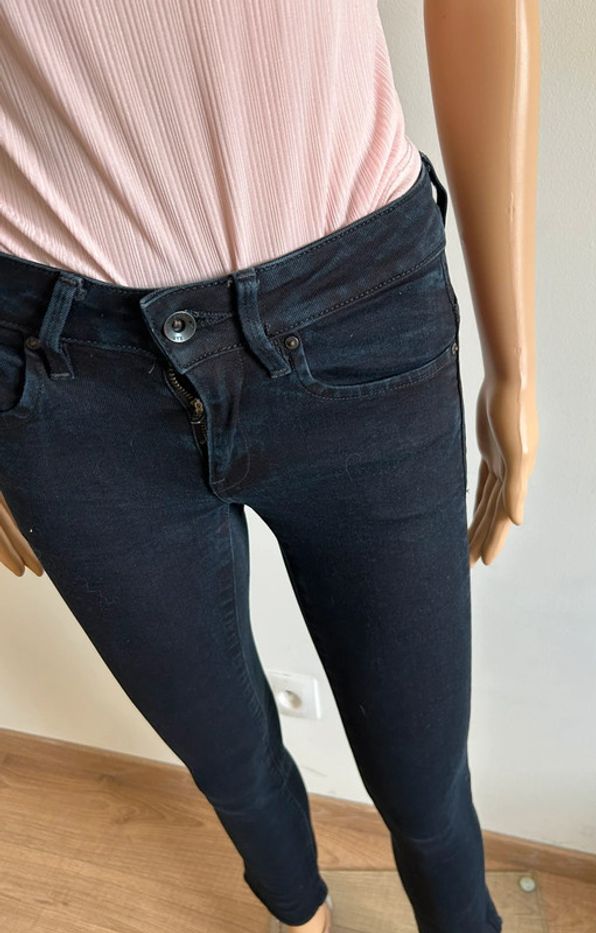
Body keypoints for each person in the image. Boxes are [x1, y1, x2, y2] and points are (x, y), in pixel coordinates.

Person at [0, 2, 539, 931]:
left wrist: (514, 363)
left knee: (424, 771)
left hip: (357, 314)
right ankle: (297, 912)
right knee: (226, 756)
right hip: (56, 364)